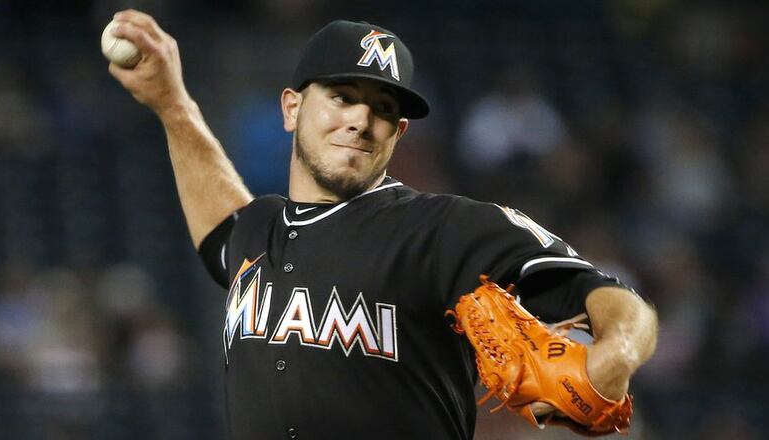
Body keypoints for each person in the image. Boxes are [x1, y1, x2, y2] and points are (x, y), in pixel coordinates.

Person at [108, 9, 658, 440]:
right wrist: (172, 105)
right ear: (292, 108)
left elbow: (611, 298)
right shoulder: (259, 231)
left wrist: (615, 355)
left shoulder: (444, 229)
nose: (360, 120)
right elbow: (220, 225)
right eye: (342, 96)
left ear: (398, 132)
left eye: (381, 109)